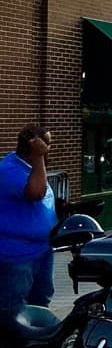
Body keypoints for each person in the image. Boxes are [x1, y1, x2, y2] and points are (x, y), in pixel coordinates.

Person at [0, 125, 56, 320]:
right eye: (46, 144)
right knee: (14, 310)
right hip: (17, 255)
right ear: (33, 146)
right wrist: (38, 157)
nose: (49, 149)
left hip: (42, 250)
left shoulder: (32, 169)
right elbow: (36, 193)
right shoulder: (9, 170)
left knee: (39, 305)